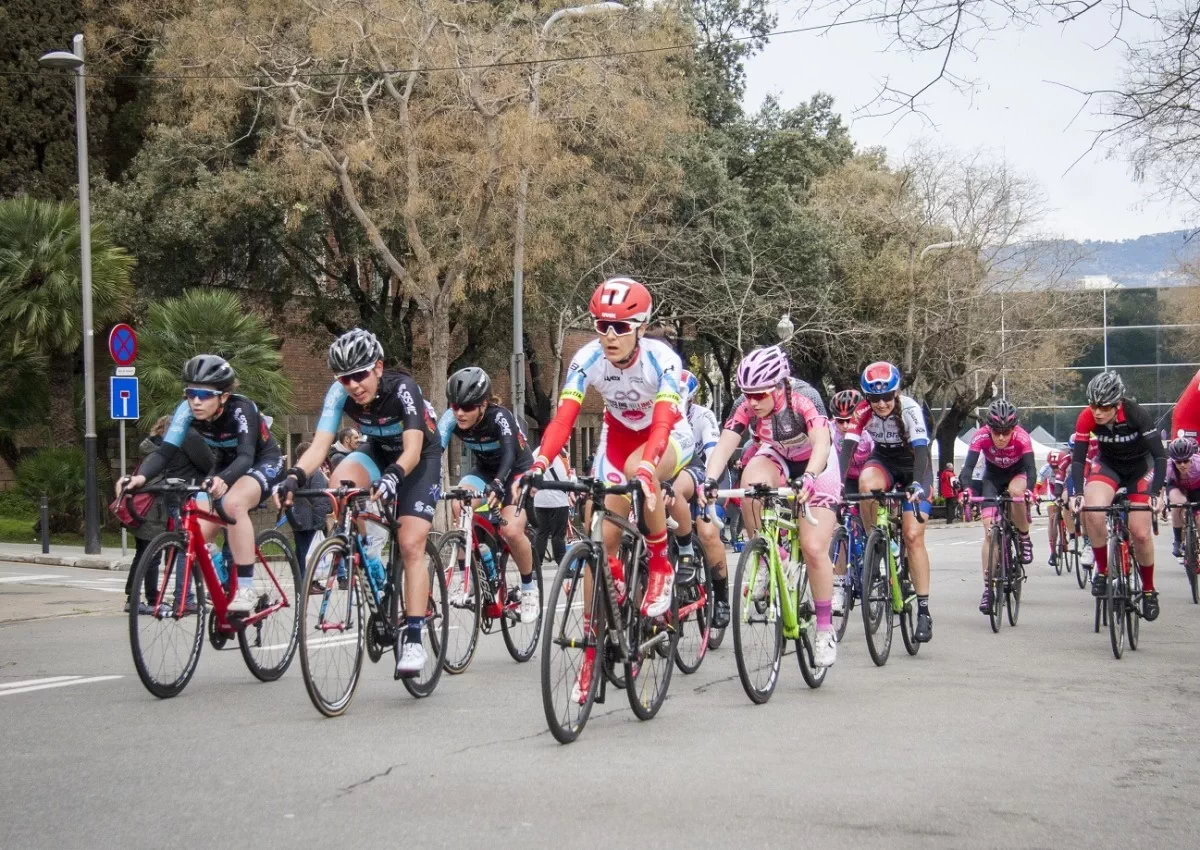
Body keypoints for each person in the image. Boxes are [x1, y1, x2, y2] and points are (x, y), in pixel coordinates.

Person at [526, 276, 693, 705]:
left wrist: (648, 468)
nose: (609, 336)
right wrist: (540, 463)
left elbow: (661, 422)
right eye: (602, 325)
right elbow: (564, 418)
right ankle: (593, 643)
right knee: (598, 537)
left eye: (621, 327)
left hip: (667, 434)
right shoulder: (587, 358)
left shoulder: (662, 360)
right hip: (616, 438)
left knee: (642, 470)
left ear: (640, 326)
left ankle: (659, 566)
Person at [278, 328, 443, 676]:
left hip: (418, 459)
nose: (352, 385)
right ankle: (365, 552)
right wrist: (294, 476)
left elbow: (412, 450)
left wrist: (395, 476)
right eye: (344, 378)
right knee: (340, 484)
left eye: (359, 375)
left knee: (411, 544)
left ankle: (413, 639)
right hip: (379, 452)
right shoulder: (339, 394)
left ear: (378, 368)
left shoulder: (403, 389)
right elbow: (320, 446)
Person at [699, 345, 841, 667]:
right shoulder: (745, 405)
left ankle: (823, 628)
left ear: (780, 385)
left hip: (816, 462)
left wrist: (809, 478)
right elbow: (725, 444)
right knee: (751, 484)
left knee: (813, 546)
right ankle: (765, 557)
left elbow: (821, 442)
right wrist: (709, 479)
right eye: (747, 394)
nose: (752, 402)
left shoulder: (805, 397)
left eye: (759, 395)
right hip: (777, 455)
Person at [118, 355, 284, 614]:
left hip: (260, 461)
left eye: (204, 395)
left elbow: (245, 457)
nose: (195, 401)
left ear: (224, 396)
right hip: (225, 463)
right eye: (190, 393)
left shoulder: (242, 409)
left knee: (233, 503)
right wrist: (140, 478)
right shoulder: (185, 411)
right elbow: (164, 453)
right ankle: (222, 584)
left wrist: (223, 480)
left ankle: (246, 587)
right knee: (196, 531)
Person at [836, 361, 935, 643]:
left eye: (887, 397)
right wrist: (838, 485)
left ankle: (924, 611)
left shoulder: (910, 409)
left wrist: (917, 484)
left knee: (913, 535)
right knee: (866, 485)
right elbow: (848, 450)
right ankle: (874, 543)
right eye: (874, 397)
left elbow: (921, 450)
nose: (881, 404)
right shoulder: (863, 411)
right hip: (885, 462)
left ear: (897, 391)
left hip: (916, 465)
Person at [436, 367, 538, 624]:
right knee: (460, 505)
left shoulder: (500, 417)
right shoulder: (451, 419)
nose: (459, 413)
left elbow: (508, 454)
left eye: (467, 407)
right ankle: (468, 578)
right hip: (484, 470)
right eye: (455, 405)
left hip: (515, 469)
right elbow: (432, 450)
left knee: (512, 531)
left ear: (483, 405)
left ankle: (529, 589)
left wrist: (498, 483)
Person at [1069, 371, 1167, 621]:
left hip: (1140, 470)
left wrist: (1156, 492)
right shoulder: (1086, 417)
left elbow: (1160, 456)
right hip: (1109, 467)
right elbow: (1079, 459)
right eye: (1093, 406)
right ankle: (1102, 571)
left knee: (1141, 532)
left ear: (1117, 404)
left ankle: (1148, 590)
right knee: (1093, 510)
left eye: (1103, 407)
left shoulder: (1136, 414)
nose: (1097, 412)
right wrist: (1078, 493)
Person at [123, 414, 214, 613]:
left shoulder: (154, 446)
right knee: (182, 547)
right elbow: (209, 464)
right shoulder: (186, 437)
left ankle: (146, 598)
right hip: (167, 500)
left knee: (148, 552)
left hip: (151, 501)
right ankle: (181, 598)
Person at [957, 399, 1037, 614]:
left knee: (1017, 493)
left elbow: (1030, 469)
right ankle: (988, 588)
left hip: (1017, 474)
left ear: (1014, 428)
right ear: (989, 428)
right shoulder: (981, 436)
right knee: (990, 533)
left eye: (1006, 431)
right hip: (992, 478)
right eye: (996, 431)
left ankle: (1023, 536)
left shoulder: (1022, 437)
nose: (1001, 437)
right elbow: (968, 468)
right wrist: (966, 490)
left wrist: (1030, 489)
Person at [668, 369, 731, 629]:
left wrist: (709, 483)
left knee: (706, 533)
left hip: (708, 473)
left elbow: (713, 452)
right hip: (677, 475)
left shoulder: (702, 417)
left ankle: (722, 599)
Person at [830, 388, 873, 612]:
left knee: (872, 519)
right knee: (838, 532)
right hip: (843, 477)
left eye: (850, 420)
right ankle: (837, 586)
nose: (846, 426)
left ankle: (880, 555)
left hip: (868, 475)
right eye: (840, 421)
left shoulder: (870, 431)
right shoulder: (829, 432)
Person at [281, 441, 330, 586]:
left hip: (297, 518)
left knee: (301, 552)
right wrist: (320, 522)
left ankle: (301, 580)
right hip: (311, 520)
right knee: (311, 553)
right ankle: (308, 582)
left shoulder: (292, 474)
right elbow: (319, 499)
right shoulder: (315, 473)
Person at [533, 447, 572, 569]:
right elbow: (561, 477)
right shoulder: (553, 452)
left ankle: (536, 565)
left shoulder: (536, 452)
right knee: (558, 535)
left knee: (541, 533)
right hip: (557, 499)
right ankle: (563, 566)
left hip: (540, 499)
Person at [1166, 436, 1200, 559]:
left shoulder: (1199, 463)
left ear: (1192, 458)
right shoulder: (1168, 466)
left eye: (1186, 461)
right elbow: (1156, 483)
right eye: (1178, 462)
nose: (1182, 465)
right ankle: (1177, 541)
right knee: (1178, 504)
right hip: (1177, 487)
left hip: (1197, 488)